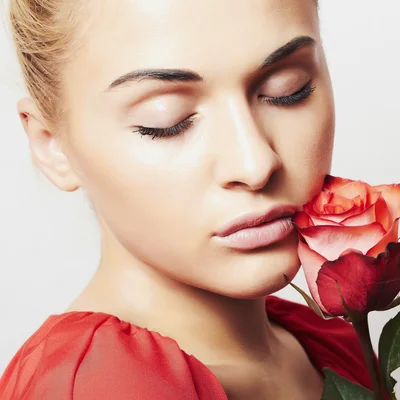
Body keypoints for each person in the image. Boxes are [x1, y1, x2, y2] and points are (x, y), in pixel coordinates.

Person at [0, 0, 373, 399]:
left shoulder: (331, 345)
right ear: (52, 145)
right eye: (167, 121)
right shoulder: (97, 386)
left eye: (288, 90)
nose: (255, 164)